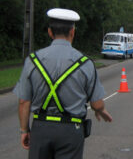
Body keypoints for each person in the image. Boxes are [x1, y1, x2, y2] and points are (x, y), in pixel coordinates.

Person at [13, 8, 113, 159]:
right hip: (71, 130)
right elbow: (97, 104)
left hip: (41, 128)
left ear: (50, 32)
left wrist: (24, 130)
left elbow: (23, 102)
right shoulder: (85, 63)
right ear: (73, 32)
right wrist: (100, 110)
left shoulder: (32, 61)